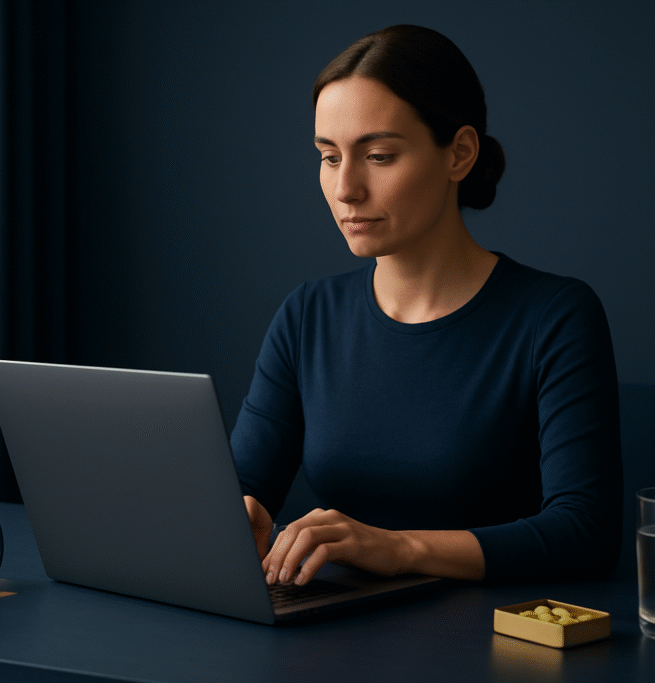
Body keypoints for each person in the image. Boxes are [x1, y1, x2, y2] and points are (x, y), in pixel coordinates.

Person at [230, 25, 622, 586]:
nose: (346, 189)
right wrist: (235, 516)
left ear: (459, 153)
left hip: (492, 645)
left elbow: (585, 533)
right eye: (329, 156)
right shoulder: (307, 316)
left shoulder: (554, 316)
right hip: (336, 640)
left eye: (380, 156)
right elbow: (244, 486)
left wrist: (401, 548)